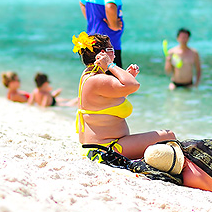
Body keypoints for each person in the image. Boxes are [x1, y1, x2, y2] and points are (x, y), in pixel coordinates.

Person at [74, 31, 176, 160]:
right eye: (111, 49)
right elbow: (134, 85)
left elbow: (112, 100)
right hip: (106, 150)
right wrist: (110, 65)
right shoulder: (98, 79)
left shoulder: (88, 75)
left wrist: (128, 77)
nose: (115, 52)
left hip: (100, 147)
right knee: (169, 136)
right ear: (102, 54)